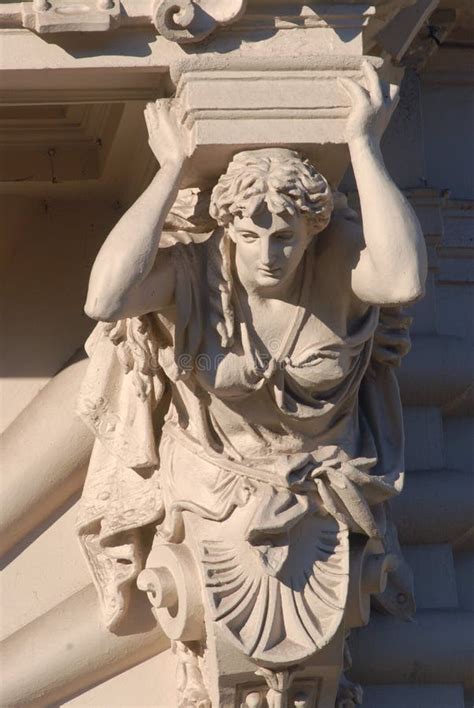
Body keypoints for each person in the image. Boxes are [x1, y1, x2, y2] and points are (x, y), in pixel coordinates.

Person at [77, 62, 426, 659]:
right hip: (215, 487)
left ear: (313, 229)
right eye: (253, 234)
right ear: (229, 227)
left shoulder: (335, 262)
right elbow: (104, 298)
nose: (270, 254)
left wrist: (363, 146)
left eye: (287, 235)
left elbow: (401, 279)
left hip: (321, 486)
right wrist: (168, 173)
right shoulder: (194, 275)